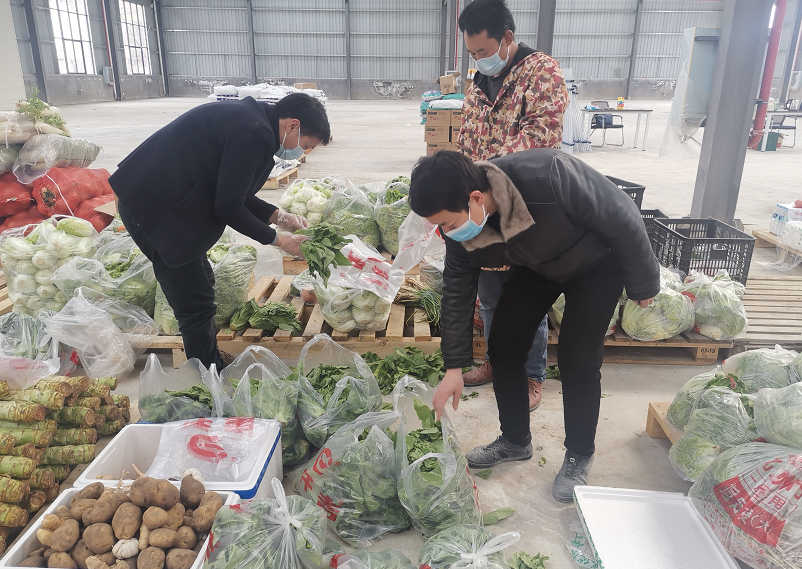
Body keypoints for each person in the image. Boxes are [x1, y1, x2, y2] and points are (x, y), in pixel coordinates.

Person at [408, 149, 659, 502]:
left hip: (597, 265)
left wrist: (643, 283)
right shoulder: (461, 229)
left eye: (447, 224)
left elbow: (621, 214)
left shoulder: (547, 174)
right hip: (537, 267)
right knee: (504, 346)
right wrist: (453, 367)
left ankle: (579, 454)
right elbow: (456, 290)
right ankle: (514, 441)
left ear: (475, 198)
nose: (446, 232)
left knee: (577, 359)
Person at [108, 93, 330, 370]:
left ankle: (207, 361)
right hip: (153, 208)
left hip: (168, 200)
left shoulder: (254, 121)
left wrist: (279, 216)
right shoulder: (254, 132)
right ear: (293, 125)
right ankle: (207, 374)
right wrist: (280, 240)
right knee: (194, 301)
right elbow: (229, 207)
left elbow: (235, 192)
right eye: (306, 146)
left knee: (202, 284)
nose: (302, 153)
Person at [456, 0, 568, 411]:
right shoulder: (479, 82)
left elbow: (540, 137)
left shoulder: (541, 73)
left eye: (484, 51)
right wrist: (460, 182)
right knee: (488, 294)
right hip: (483, 205)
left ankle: (531, 374)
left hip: (524, 203)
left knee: (524, 298)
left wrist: (486, 176)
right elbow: (467, 137)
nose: (478, 60)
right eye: (472, 54)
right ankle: (494, 361)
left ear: (506, 37)